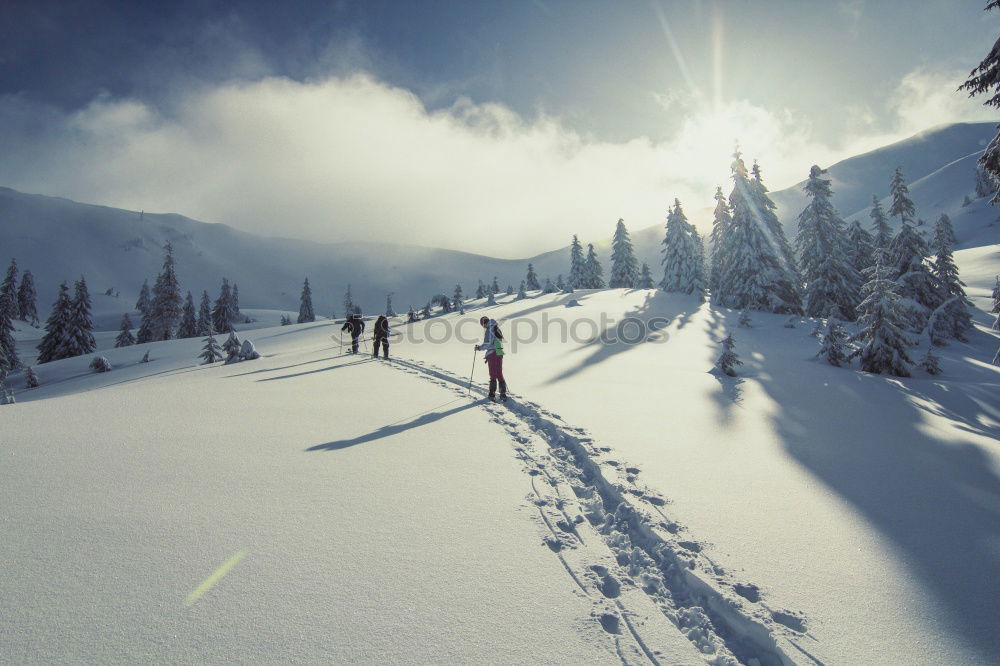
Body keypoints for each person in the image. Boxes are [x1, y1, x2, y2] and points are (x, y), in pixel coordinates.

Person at [474, 316, 506, 401]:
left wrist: (479, 348)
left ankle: (492, 394)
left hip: (492, 354)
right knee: (499, 373)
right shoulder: (496, 327)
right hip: (499, 352)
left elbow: (487, 344)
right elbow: (499, 340)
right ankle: (503, 393)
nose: (483, 327)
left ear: (483, 323)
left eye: (482, 324)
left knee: (493, 374)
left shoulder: (489, 330)